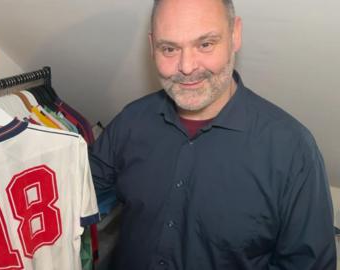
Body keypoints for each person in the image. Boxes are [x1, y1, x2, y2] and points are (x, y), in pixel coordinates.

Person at [88, 0, 336, 269]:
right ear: (152, 46)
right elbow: (74, 191)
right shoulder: (131, 122)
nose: (186, 66)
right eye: (169, 48)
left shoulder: (292, 150)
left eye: (205, 44)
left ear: (235, 35)